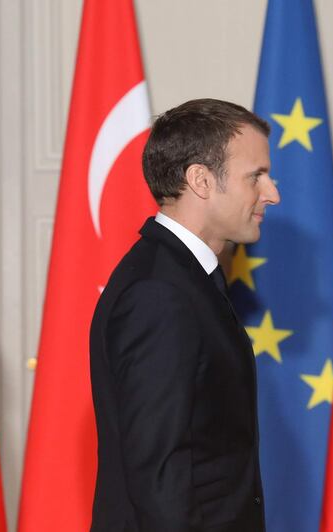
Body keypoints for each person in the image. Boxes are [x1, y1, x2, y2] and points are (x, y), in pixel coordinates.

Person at [89, 98, 280, 531]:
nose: (272, 193)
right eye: (257, 176)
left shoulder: (183, 277)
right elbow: (160, 475)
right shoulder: (160, 293)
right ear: (201, 180)